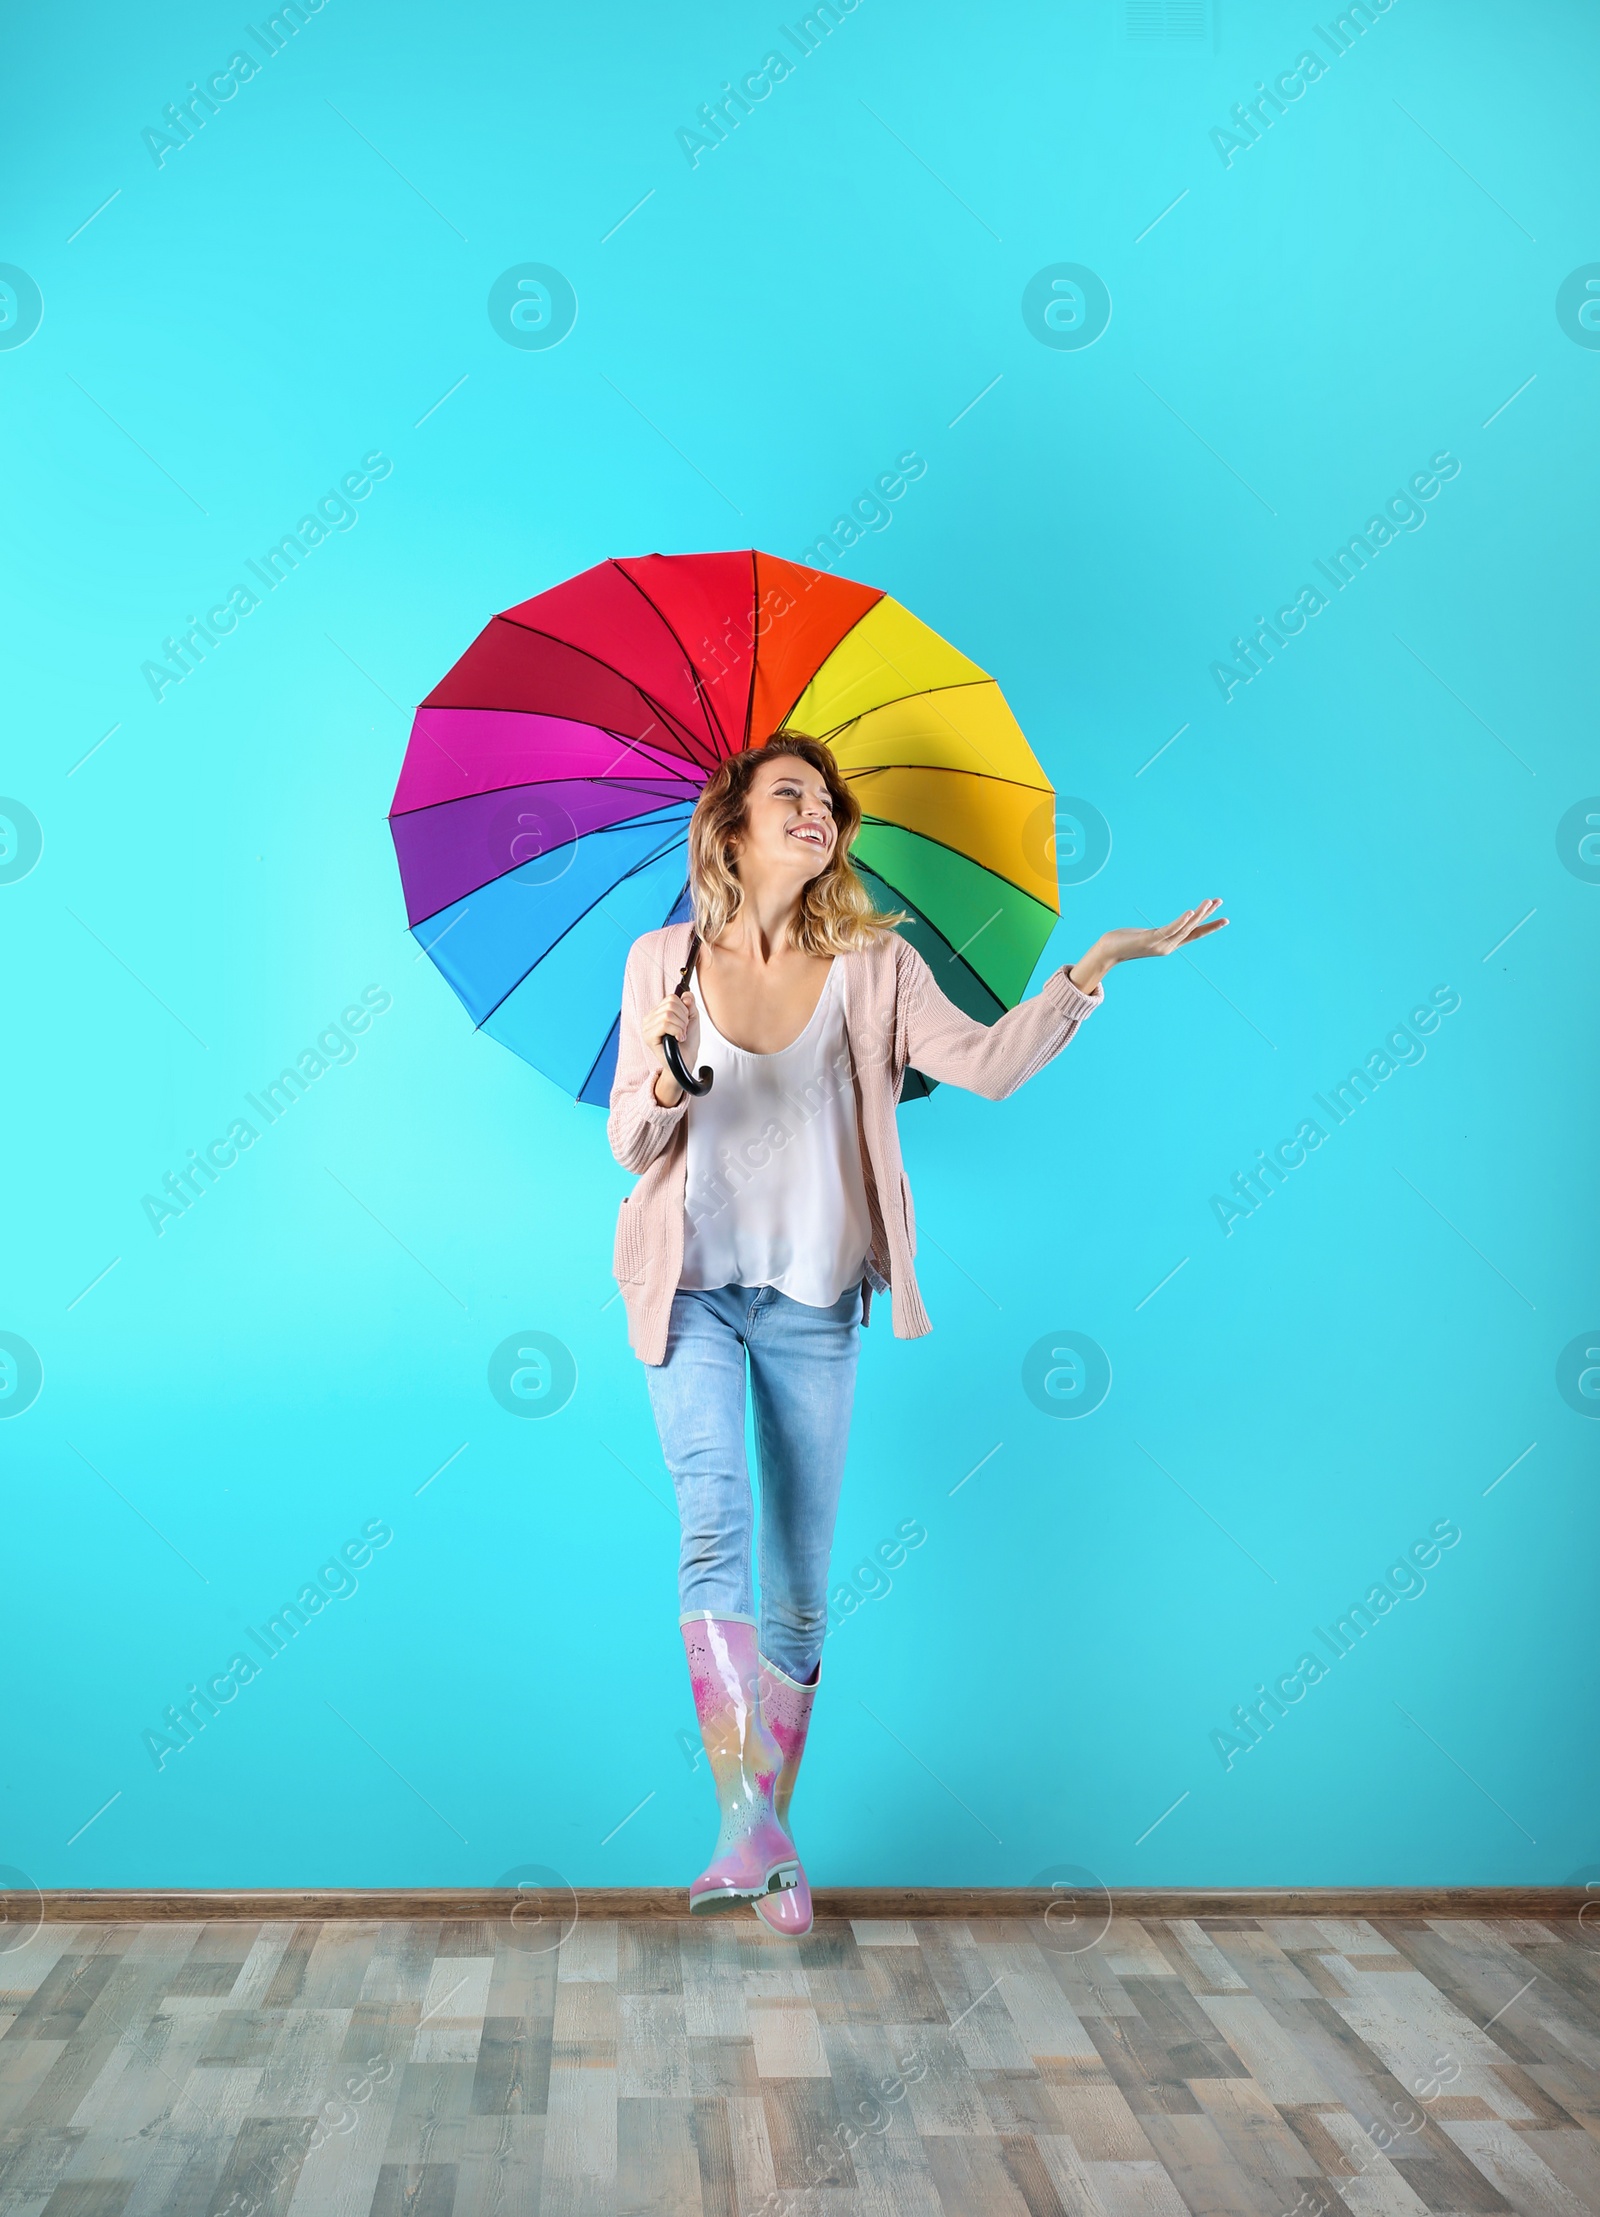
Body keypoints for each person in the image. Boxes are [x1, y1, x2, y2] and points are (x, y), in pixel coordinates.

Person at [606, 733, 1226, 1933]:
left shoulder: (874, 965)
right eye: (790, 794)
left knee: (796, 1591)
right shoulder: (660, 965)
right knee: (710, 1529)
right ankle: (755, 1831)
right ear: (729, 826)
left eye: (827, 802)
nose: (818, 813)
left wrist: (1091, 968)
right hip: (686, 1289)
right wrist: (673, 1074)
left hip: (811, 1301)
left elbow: (987, 1070)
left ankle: (755, 1845)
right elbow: (633, 1143)